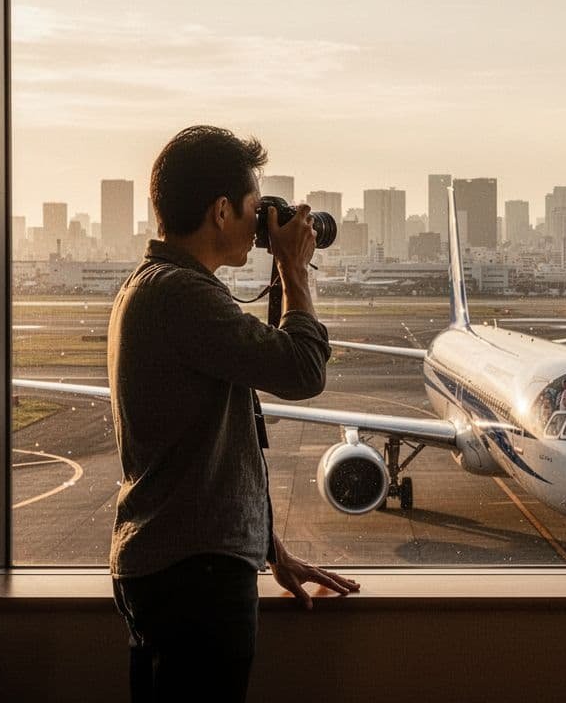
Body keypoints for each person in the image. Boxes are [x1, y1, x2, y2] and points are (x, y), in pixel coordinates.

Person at [108, 126, 360, 703]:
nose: (259, 224)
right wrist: (295, 271)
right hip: (194, 581)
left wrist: (263, 545)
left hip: (177, 568)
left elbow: (205, 447)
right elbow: (303, 371)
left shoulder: (152, 287)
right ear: (221, 211)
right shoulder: (181, 296)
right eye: (252, 208)